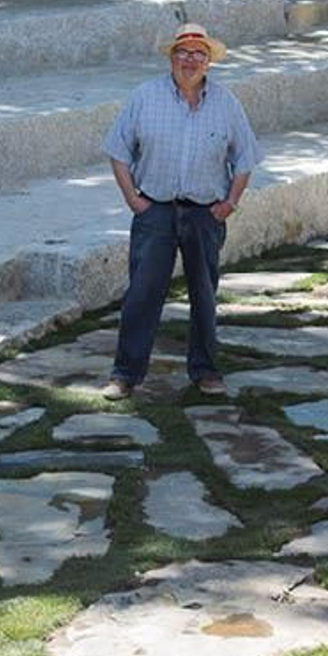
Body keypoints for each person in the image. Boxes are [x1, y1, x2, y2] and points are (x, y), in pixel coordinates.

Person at [101, 22, 264, 400]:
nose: (190, 60)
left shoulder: (226, 103)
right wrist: (132, 200)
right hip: (154, 211)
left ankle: (206, 372)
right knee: (142, 294)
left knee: (204, 295)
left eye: (198, 54)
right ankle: (124, 375)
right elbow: (118, 150)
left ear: (209, 62)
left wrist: (229, 204)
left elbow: (245, 158)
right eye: (183, 52)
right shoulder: (145, 96)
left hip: (205, 213)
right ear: (171, 57)